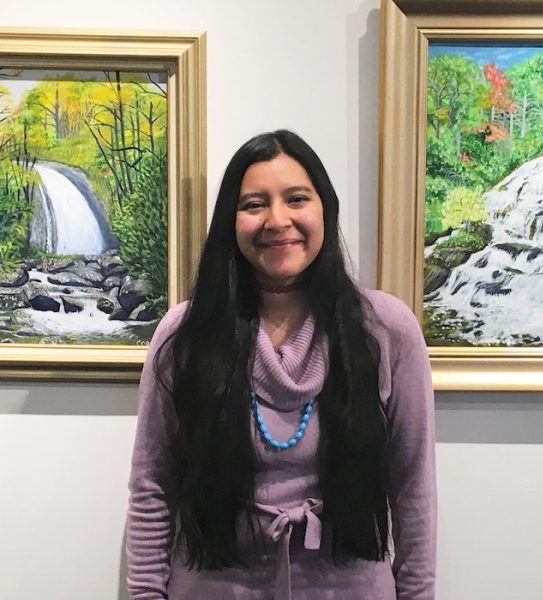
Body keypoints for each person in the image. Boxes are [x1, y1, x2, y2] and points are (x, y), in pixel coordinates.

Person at [127, 130, 436, 600]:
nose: (277, 220)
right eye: (254, 204)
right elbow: (152, 487)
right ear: (230, 220)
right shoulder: (186, 334)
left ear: (325, 209)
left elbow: (413, 488)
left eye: (296, 199)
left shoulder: (386, 330)